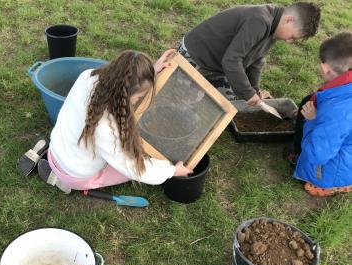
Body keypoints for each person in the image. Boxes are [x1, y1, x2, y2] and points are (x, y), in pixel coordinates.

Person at [37, 50, 193, 194]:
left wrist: (151, 72)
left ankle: (56, 170)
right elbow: (134, 167)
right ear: (126, 94)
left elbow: (130, 80)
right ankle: (67, 184)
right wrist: (171, 171)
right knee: (132, 167)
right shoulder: (105, 127)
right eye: (137, 98)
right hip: (75, 175)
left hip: (56, 151)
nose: (137, 101)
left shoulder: (88, 75)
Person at [178, 2, 321, 104]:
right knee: (186, 103)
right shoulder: (259, 21)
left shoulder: (275, 28)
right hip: (196, 57)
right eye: (292, 37)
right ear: (288, 20)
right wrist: (248, 93)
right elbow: (232, 60)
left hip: (219, 64)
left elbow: (257, 61)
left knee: (232, 103)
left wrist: (254, 90)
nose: (289, 41)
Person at [292, 32, 352, 197]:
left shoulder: (337, 112)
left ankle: (331, 185)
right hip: (345, 143)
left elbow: (317, 155)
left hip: (335, 165)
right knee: (308, 101)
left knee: (312, 158)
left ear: (325, 68)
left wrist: (313, 120)